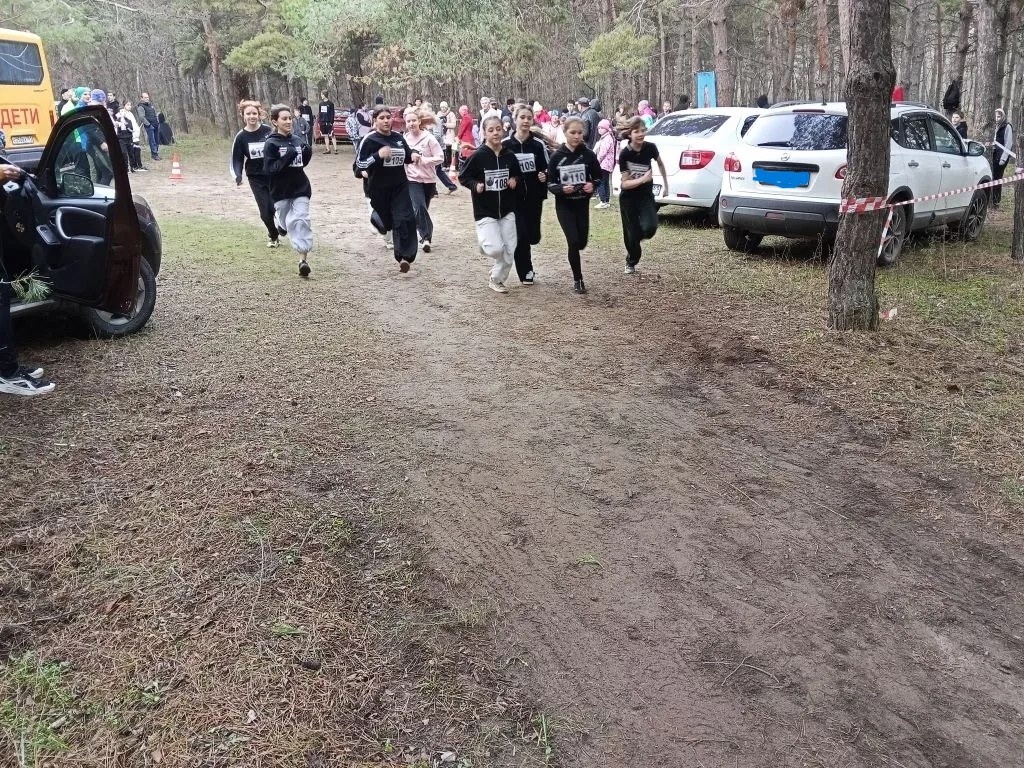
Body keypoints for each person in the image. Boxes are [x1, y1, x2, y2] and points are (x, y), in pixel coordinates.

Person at [460, 115, 523, 293]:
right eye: (491, 130)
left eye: (498, 129)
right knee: (496, 249)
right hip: (485, 209)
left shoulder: (509, 155)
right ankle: (486, 244)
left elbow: (518, 174)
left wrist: (514, 179)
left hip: (507, 209)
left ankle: (496, 279)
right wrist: (476, 185)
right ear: (484, 133)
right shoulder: (479, 155)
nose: (495, 133)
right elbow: (463, 177)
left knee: (510, 249)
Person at [356, 106, 421, 272]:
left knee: (404, 219)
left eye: (388, 117)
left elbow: (407, 156)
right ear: (375, 120)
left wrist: (413, 154)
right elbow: (359, 164)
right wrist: (378, 156)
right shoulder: (370, 140)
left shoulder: (398, 138)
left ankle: (404, 257)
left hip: (400, 186)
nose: (386, 121)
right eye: (382, 118)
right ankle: (376, 218)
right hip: (378, 189)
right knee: (387, 223)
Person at [547, 116, 601, 295]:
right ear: (565, 133)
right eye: (573, 132)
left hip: (582, 205)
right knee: (573, 241)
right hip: (565, 207)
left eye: (580, 132)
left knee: (582, 242)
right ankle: (578, 279)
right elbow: (550, 184)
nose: (577, 136)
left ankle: (577, 264)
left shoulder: (588, 155)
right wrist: (562, 189)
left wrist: (592, 185)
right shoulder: (556, 157)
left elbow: (599, 176)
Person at [263, 104, 314, 277]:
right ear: (274, 121)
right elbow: (271, 168)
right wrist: (288, 156)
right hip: (280, 191)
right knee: (286, 221)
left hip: (301, 187)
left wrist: (307, 153)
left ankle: (303, 260)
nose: (288, 121)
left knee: (300, 220)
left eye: (290, 118)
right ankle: (281, 224)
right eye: (284, 118)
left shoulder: (297, 140)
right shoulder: (271, 143)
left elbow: (300, 164)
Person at [503, 105, 548, 286]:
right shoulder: (506, 145)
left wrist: (544, 175)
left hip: (534, 196)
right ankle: (525, 271)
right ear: (515, 119)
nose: (526, 121)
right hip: (512, 198)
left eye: (529, 118)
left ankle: (530, 243)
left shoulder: (538, 145)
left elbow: (546, 167)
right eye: (522, 117)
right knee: (519, 235)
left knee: (532, 236)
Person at [617, 116, 667, 274]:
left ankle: (635, 238)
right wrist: (643, 179)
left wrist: (666, 184)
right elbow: (624, 183)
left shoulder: (650, 148)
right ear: (629, 134)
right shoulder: (625, 154)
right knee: (631, 233)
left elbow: (660, 163)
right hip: (628, 198)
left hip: (645, 196)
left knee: (651, 227)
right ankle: (631, 261)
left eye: (643, 130)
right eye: (636, 131)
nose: (640, 134)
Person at [230, 100, 279, 248]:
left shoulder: (268, 131)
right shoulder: (241, 137)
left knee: (275, 206)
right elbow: (236, 159)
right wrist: (238, 175)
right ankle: (273, 234)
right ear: (243, 116)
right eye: (248, 114)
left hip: (273, 175)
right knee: (265, 212)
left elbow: (278, 149)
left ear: (259, 115)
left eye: (254, 113)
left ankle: (280, 229)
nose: (252, 116)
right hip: (255, 178)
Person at [403, 108, 443, 253]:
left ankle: (421, 233)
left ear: (419, 122)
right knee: (419, 207)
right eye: (408, 121)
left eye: (414, 120)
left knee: (422, 210)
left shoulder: (429, 138)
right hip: (412, 179)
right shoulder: (405, 139)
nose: (411, 123)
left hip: (429, 180)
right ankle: (426, 238)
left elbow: (440, 157)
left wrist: (424, 160)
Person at [991, 107, 1014, 209]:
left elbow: (1008, 144)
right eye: (996, 116)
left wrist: (1003, 158)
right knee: (992, 177)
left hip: (1002, 157)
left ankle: (996, 201)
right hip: (994, 154)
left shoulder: (1007, 126)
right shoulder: (995, 125)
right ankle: (991, 199)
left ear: (1003, 116)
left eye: (999, 116)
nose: (997, 118)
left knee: (997, 178)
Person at [594, 118, 616, 210]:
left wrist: (596, 161)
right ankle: (606, 200)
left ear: (606, 129)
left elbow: (602, 152)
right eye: (598, 128)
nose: (599, 130)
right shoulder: (606, 137)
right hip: (606, 165)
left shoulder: (607, 138)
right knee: (606, 182)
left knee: (601, 182)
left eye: (601, 128)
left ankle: (603, 200)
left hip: (603, 164)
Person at [137, 92, 160, 160]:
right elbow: (141, 117)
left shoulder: (151, 105)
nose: (147, 99)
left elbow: (154, 113)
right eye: (145, 97)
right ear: (142, 98)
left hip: (156, 124)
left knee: (157, 140)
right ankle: (154, 154)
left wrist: (157, 121)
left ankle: (156, 153)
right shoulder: (140, 106)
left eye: (147, 97)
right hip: (149, 126)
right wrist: (148, 124)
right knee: (152, 140)